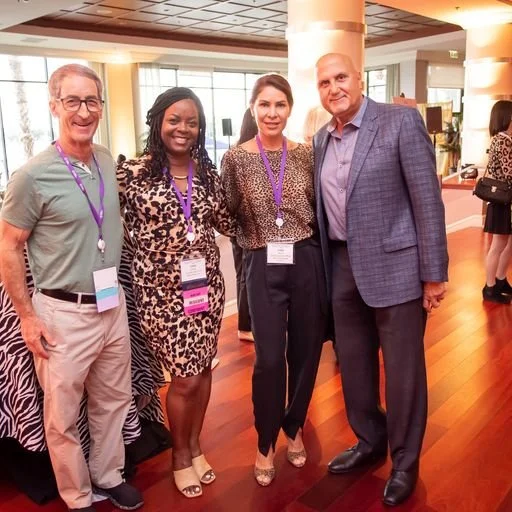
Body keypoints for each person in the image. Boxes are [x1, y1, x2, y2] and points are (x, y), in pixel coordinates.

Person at [0, 64, 143, 512]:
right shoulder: (31, 176)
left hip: (110, 304)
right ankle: (78, 496)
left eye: (92, 101)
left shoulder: (103, 158)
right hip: (61, 313)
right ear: (54, 106)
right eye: (73, 101)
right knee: (62, 418)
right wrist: (26, 316)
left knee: (113, 400)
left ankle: (108, 476)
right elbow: (8, 248)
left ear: (101, 105)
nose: (84, 111)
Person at [313, 53, 448, 507]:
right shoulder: (319, 141)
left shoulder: (399, 123)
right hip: (342, 267)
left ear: (359, 78)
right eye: (325, 82)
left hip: (397, 268)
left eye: (341, 77)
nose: (334, 88)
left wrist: (433, 274)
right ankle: (370, 442)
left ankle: (405, 462)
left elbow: (427, 201)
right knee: (353, 366)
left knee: (404, 371)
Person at [117, 87, 235, 499]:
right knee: (184, 378)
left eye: (191, 122)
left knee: (202, 371)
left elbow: (226, 222)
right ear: (158, 123)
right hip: (161, 294)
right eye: (174, 119)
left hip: (205, 289)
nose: (182, 128)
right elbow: (96, 218)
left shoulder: (206, 174)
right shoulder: (132, 173)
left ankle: (196, 446)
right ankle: (180, 457)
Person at [221, 74, 328, 486]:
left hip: (305, 258)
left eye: (279, 105)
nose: (272, 113)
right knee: (268, 360)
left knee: (305, 353)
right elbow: (228, 212)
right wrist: (253, 242)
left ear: (289, 109)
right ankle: (265, 440)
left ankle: (294, 426)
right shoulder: (236, 159)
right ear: (253, 108)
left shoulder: (305, 154)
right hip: (263, 260)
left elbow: (320, 207)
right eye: (264, 105)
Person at [231, 107, 258, 342]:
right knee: (244, 275)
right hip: (243, 227)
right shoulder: (237, 155)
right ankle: (245, 325)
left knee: (244, 274)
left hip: (246, 228)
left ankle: (247, 324)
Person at [482, 100, 512, 304]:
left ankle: (501, 279)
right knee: (498, 244)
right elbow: (510, 172)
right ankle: (490, 286)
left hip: (505, 201)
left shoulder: (503, 140)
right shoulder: (502, 141)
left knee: (508, 243)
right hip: (503, 201)